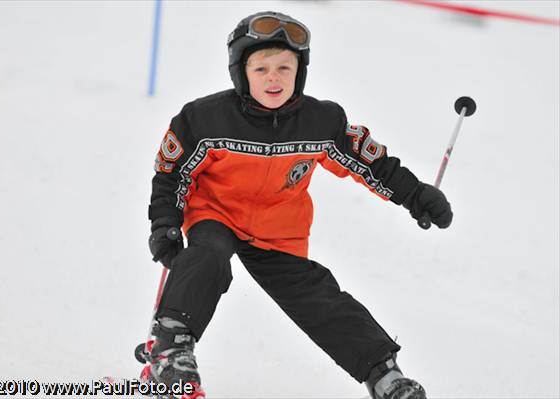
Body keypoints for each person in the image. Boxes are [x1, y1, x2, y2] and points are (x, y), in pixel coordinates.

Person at [146, 11, 452, 399]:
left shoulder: (321, 122)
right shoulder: (204, 119)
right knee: (209, 256)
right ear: (241, 73)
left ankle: (383, 373)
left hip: (278, 229)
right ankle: (172, 351)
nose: (273, 77)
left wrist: (416, 195)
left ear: (300, 72)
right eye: (261, 69)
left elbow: (371, 163)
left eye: (284, 68)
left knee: (316, 293)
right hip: (216, 213)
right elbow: (172, 173)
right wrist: (165, 223)